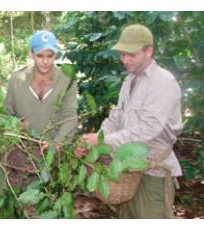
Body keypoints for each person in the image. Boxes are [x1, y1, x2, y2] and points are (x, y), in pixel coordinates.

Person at [75, 24, 183, 218]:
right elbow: (116, 117)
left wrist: (104, 141)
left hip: (152, 173)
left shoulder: (163, 82)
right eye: (123, 54)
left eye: (131, 55)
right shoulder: (130, 80)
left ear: (149, 51)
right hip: (126, 172)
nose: (125, 60)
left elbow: (149, 129)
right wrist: (96, 140)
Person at [5, 30, 78, 150]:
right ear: (31, 53)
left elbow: (70, 117)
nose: (45, 61)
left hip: (57, 151)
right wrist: (15, 125)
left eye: (50, 56)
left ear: (56, 54)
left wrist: (57, 143)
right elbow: (6, 113)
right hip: (23, 149)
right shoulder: (17, 79)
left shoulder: (66, 81)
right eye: (40, 56)